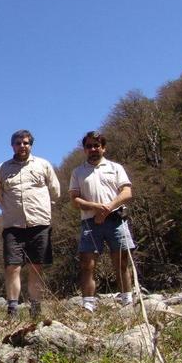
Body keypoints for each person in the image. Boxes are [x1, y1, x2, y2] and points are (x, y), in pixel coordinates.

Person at [0, 129, 60, 317]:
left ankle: (36, 309)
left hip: (40, 224)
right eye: (18, 143)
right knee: (12, 267)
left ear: (31, 145)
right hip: (13, 227)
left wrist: (44, 208)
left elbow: (55, 191)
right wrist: (11, 211)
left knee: (36, 268)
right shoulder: (2, 169)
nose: (22, 146)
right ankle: (12, 309)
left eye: (26, 143)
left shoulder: (43, 165)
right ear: (12, 145)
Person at [68, 131, 135, 312]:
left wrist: (107, 208)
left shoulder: (115, 167)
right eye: (89, 146)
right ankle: (88, 304)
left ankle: (127, 301)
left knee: (121, 262)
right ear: (84, 149)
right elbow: (74, 199)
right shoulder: (78, 172)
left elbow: (127, 192)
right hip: (90, 221)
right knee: (87, 264)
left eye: (96, 145)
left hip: (116, 220)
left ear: (103, 148)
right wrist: (94, 207)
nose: (93, 149)